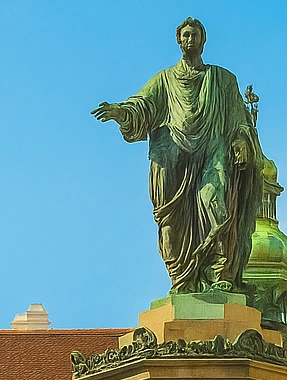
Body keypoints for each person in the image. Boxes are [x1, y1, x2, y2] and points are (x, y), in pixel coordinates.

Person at [92, 17, 261, 294]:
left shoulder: (223, 79)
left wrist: (242, 139)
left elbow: (239, 118)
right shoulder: (164, 80)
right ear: (178, 41)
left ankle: (220, 274)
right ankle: (181, 279)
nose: (189, 40)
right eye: (185, 35)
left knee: (216, 204)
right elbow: (143, 105)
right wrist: (120, 112)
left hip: (213, 152)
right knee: (171, 222)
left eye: (194, 35)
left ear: (203, 41)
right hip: (173, 160)